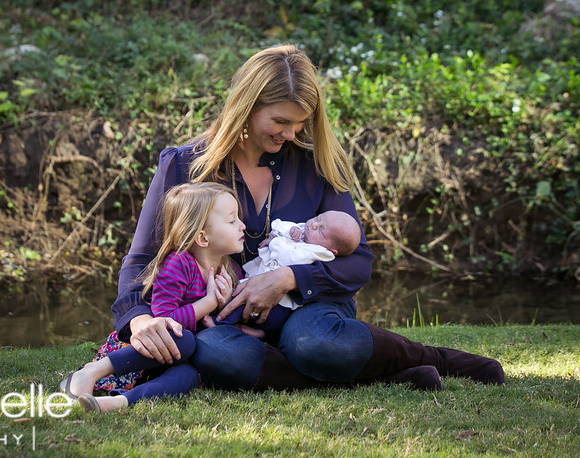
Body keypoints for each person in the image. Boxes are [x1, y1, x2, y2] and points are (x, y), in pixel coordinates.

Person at [110, 45, 505, 393]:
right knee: (217, 356)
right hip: (221, 317)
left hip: (308, 306)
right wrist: (139, 319)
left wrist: (289, 278)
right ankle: (380, 378)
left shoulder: (315, 163)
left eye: (300, 123)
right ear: (246, 108)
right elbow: (142, 258)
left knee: (316, 344)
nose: (291, 133)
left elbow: (358, 261)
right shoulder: (184, 165)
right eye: (280, 122)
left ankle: (439, 358)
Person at [59, 182, 244, 412]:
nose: (242, 226)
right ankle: (92, 371)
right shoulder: (179, 264)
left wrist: (223, 307)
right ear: (203, 238)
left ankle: (118, 402)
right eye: (232, 220)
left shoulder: (231, 271)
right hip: (148, 350)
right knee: (183, 340)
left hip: (180, 358)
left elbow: (226, 324)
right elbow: (163, 319)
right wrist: (208, 303)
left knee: (190, 374)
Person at [215, 210, 362, 332]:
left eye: (322, 231)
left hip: (280, 304)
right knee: (240, 294)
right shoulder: (306, 232)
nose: (314, 225)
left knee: (244, 306)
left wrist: (274, 242)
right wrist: (284, 233)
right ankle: (258, 333)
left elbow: (289, 258)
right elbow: (281, 226)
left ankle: (221, 324)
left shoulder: (319, 252)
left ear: (331, 250)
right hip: (260, 281)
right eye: (318, 218)